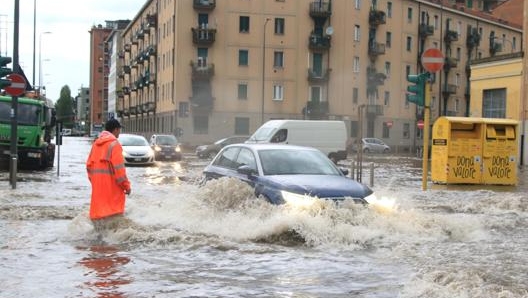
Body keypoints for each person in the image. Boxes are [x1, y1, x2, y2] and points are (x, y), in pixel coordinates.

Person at [86, 118, 131, 221]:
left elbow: (88, 166)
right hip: (112, 193)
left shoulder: (96, 144)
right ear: (115, 130)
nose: (119, 132)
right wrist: (126, 186)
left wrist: (96, 182)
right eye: (119, 130)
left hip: (98, 191)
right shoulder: (115, 144)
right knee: (113, 224)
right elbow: (119, 170)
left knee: (98, 226)